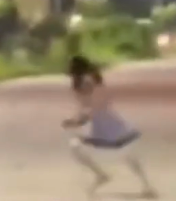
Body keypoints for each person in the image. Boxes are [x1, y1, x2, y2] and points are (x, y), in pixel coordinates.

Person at [62, 55, 157, 199]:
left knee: (77, 147)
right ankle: (144, 185)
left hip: (106, 124)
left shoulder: (88, 82)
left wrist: (78, 120)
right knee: (128, 155)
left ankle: (103, 176)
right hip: (106, 123)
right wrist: (76, 119)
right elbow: (87, 107)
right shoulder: (90, 81)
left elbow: (93, 106)